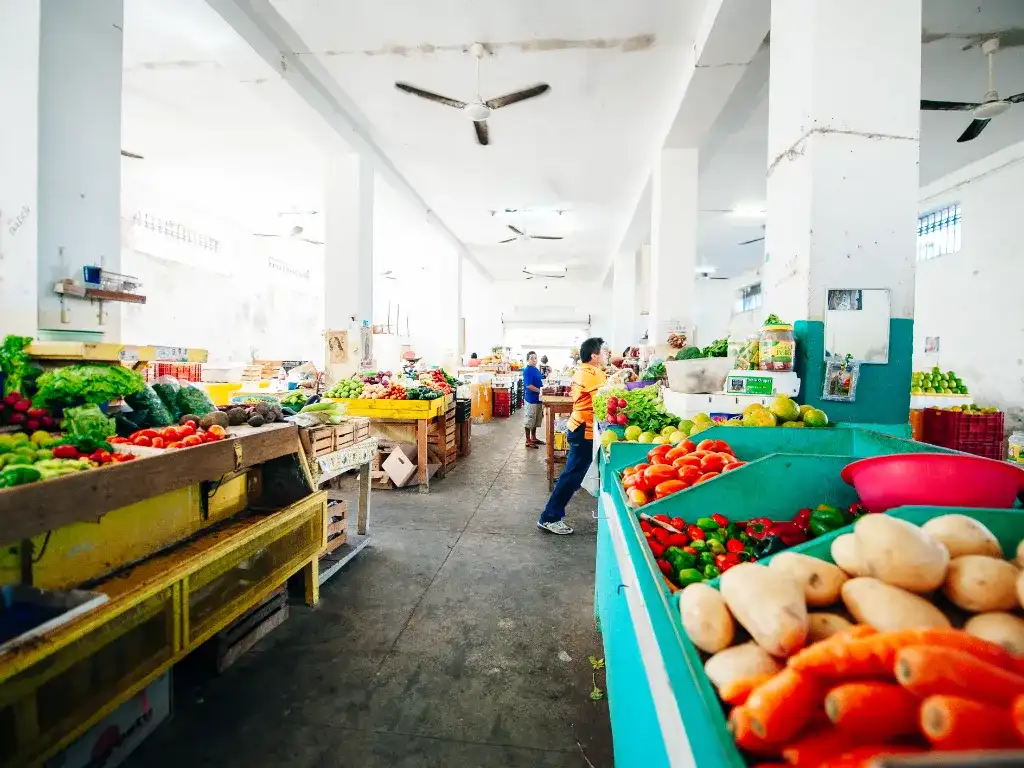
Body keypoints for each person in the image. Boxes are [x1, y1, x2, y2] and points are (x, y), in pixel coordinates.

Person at [537, 337, 608, 535]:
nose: (606, 355)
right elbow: (604, 401)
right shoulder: (592, 374)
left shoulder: (587, 371)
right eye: (603, 352)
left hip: (580, 427)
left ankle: (551, 515)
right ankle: (549, 517)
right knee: (572, 475)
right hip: (583, 429)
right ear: (594, 356)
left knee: (574, 474)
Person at [522, 351, 544, 449]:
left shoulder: (535, 369)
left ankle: (533, 437)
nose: (534, 359)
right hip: (531, 399)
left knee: (535, 420)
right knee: (529, 419)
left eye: (535, 358)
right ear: (527, 359)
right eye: (531, 358)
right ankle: (528, 440)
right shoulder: (527, 370)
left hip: (538, 399)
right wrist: (540, 391)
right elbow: (529, 385)